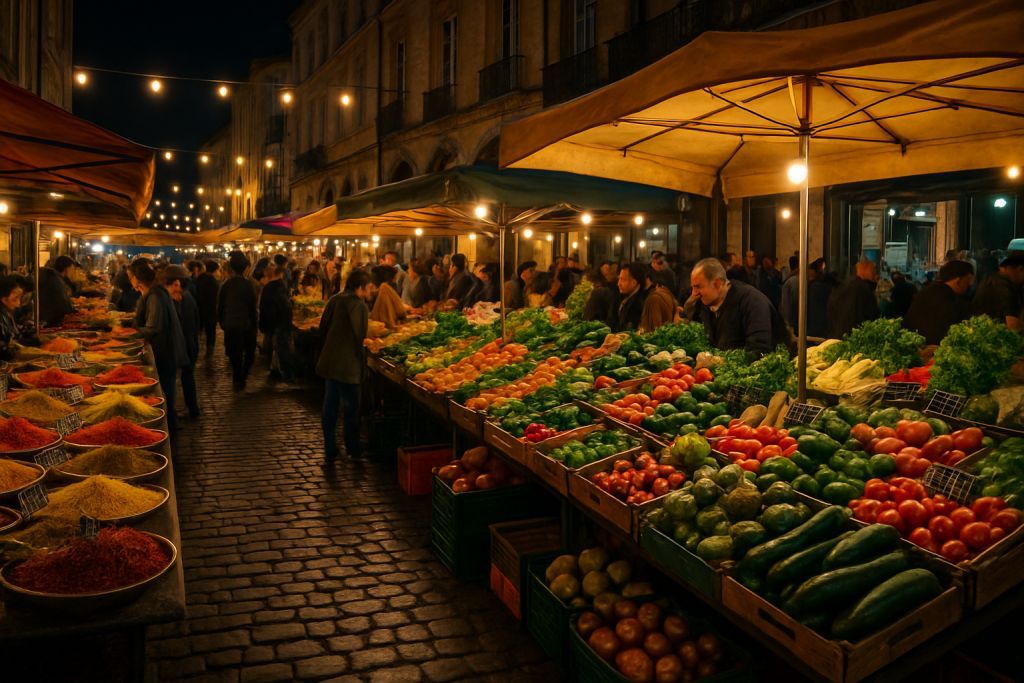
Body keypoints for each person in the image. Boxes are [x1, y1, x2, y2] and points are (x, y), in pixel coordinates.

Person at [318, 269, 376, 463]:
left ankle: (330, 446)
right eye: (368, 288)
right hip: (349, 363)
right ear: (359, 288)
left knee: (330, 405)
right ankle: (353, 448)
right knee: (352, 408)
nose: (370, 292)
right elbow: (361, 336)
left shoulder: (335, 299)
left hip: (330, 360)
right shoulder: (359, 306)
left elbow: (323, 326)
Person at [129, 260, 189, 431]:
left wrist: (131, 333)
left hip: (165, 352)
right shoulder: (155, 292)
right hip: (166, 350)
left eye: (130, 277)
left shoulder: (155, 296)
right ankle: (170, 422)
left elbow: (154, 327)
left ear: (137, 279)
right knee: (167, 389)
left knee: (166, 392)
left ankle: (169, 425)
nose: (130, 281)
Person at [690, 257, 787, 357]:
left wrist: (722, 363)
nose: (694, 293)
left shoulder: (752, 302)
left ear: (718, 284)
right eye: (692, 287)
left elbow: (759, 350)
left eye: (698, 287)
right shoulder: (706, 303)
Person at [903, 260, 974, 345]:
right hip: (929, 349)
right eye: (968, 281)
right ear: (958, 281)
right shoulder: (949, 299)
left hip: (912, 343)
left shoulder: (929, 290)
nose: (970, 285)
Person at [162, 265, 201, 418]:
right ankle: (193, 408)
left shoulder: (179, 299)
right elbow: (197, 322)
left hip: (184, 344)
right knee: (188, 376)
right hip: (190, 342)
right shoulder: (188, 296)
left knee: (181, 377)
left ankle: (180, 411)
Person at [218, 251, 258, 390]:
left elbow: (220, 306)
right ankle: (242, 375)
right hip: (245, 324)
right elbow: (252, 307)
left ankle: (237, 377)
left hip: (230, 324)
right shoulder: (248, 285)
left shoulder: (226, 284)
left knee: (235, 353)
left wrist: (222, 322)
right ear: (245, 268)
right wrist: (254, 324)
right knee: (249, 353)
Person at [259, 263, 296, 381]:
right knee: (280, 346)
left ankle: (275, 368)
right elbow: (284, 306)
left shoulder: (268, 288)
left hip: (272, 321)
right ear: (280, 274)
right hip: (279, 322)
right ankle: (285, 373)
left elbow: (263, 306)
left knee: (275, 345)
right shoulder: (279, 286)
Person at [827, 260, 880, 338]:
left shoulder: (842, 288)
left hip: (836, 337)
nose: (876, 276)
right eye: (874, 271)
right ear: (866, 272)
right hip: (856, 339)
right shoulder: (864, 290)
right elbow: (871, 317)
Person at [973, 252, 1024, 330]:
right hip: (995, 337)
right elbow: (1013, 326)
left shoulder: (988, 279)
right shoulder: (1003, 286)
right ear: (1020, 269)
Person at [37, 255, 75, 327]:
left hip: (46, 318)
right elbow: (63, 304)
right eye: (72, 268)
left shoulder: (53, 277)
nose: (72, 271)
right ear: (66, 268)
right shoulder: (56, 280)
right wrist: (73, 311)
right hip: (51, 321)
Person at [615, 262, 650, 331]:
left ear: (634, 282)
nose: (619, 284)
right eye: (619, 279)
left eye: (623, 280)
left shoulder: (638, 304)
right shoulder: (626, 297)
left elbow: (630, 332)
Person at [370, 265, 406, 329]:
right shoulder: (385, 288)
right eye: (394, 278)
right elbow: (401, 311)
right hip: (385, 328)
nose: (395, 281)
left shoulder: (373, 293)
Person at [0, 276, 27, 361]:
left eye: (19, 298)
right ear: (4, 300)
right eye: (15, 299)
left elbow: (17, 336)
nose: (18, 304)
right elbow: (4, 351)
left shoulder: (8, 314)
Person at [196, 260, 220, 354]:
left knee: (199, 329)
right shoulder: (213, 281)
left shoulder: (200, 278)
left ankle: (198, 347)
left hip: (200, 308)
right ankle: (210, 348)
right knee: (211, 331)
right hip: (211, 309)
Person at [780, 256, 800, 330]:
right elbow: (794, 302)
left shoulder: (789, 280)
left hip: (789, 321)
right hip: (794, 321)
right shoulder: (794, 281)